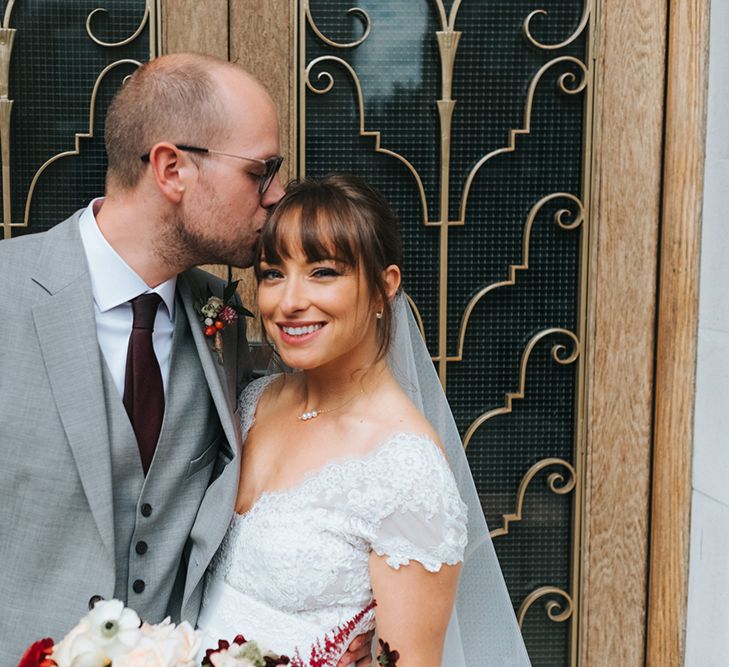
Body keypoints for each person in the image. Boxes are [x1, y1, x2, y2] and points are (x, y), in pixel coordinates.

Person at [0, 54, 369, 667]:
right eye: (262, 171)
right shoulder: (8, 291)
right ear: (172, 168)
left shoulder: (226, 324)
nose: (278, 197)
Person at [196, 175, 531, 666]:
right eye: (272, 273)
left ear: (383, 287)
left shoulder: (405, 469)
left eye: (323, 272)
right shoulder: (255, 402)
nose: (288, 302)